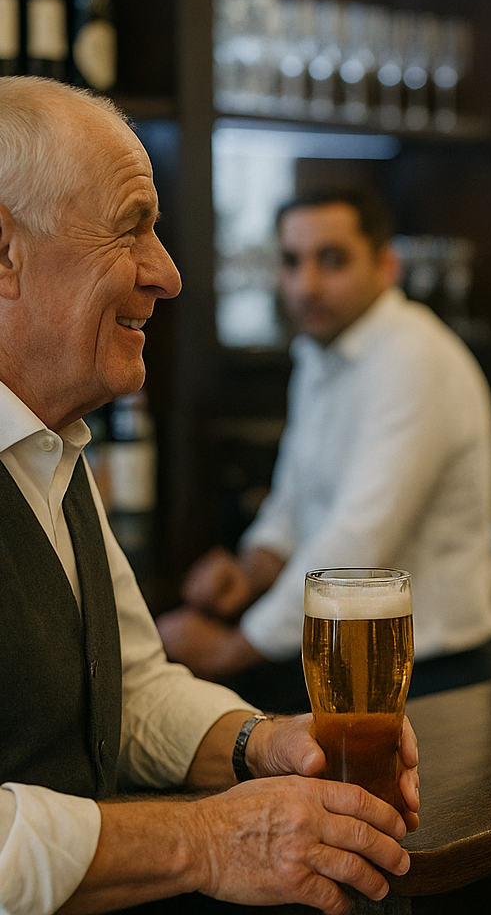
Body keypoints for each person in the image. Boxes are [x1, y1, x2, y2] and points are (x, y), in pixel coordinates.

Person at [0, 76, 419, 914]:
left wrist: (266, 744)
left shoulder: (53, 447)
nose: (170, 275)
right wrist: (205, 841)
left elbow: (135, 689)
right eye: (130, 230)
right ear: (5, 254)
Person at [158, 187, 491, 708]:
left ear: (387, 264)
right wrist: (250, 569)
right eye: (292, 262)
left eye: (333, 260)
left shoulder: (413, 358)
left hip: (431, 672)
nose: (306, 285)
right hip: (346, 658)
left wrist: (237, 645)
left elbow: (359, 540)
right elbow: (293, 503)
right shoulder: (321, 354)